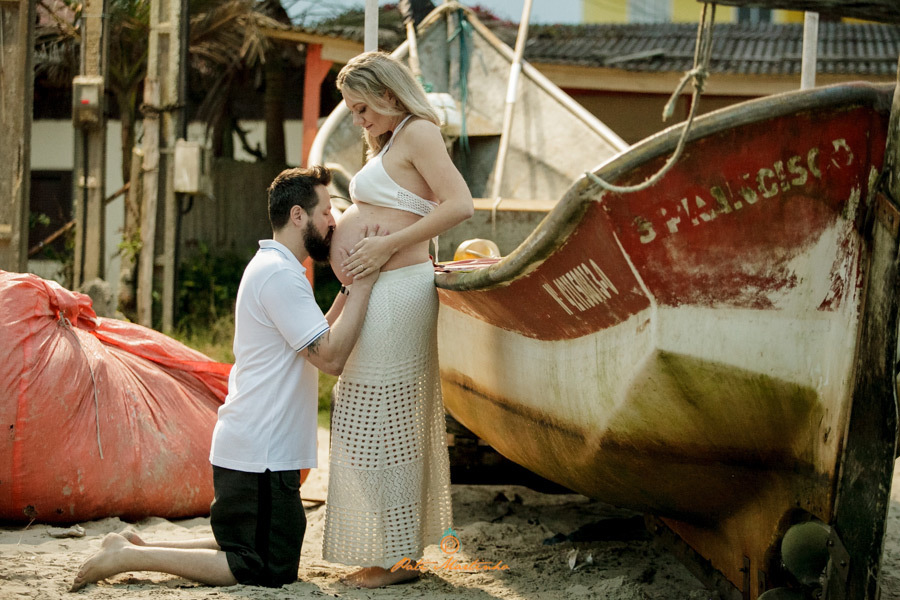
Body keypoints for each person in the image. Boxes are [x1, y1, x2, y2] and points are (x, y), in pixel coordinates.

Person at [70, 165, 380, 592]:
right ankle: (128, 557)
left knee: (245, 546)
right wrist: (365, 284)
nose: (333, 221)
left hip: (256, 449)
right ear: (298, 216)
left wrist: (347, 289)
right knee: (261, 567)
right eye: (326, 211)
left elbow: (315, 335)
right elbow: (330, 357)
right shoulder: (279, 275)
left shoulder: (277, 268)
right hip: (261, 453)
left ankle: (133, 545)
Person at [322, 51, 474, 588]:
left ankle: (399, 559)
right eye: (351, 111)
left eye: (362, 108)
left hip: (400, 290)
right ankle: (391, 549)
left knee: (387, 420)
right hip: (379, 290)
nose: (358, 120)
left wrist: (386, 245)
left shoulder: (419, 133)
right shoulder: (391, 142)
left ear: (389, 94)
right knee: (368, 415)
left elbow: (459, 205)